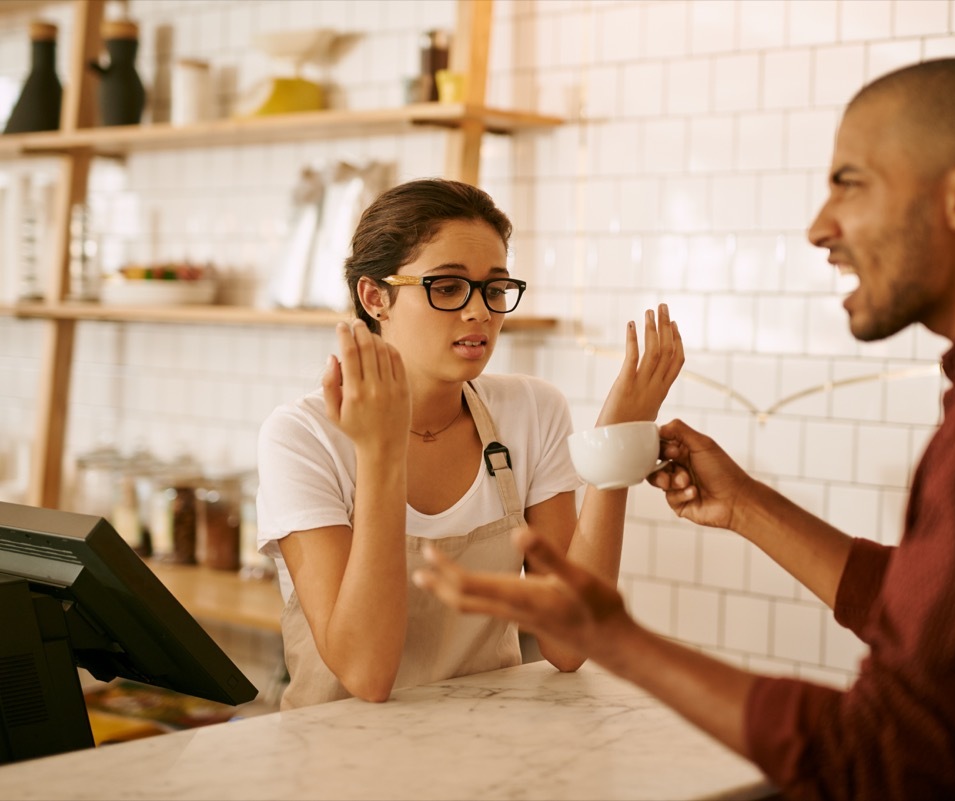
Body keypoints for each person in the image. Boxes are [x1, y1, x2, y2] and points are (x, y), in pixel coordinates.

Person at [413, 58, 955, 799]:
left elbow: (881, 755)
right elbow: (953, 616)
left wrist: (621, 640)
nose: (820, 227)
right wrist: (747, 504)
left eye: (848, 183)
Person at [256, 178, 684, 709]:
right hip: (340, 750)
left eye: (495, 289)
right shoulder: (304, 436)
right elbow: (366, 674)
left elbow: (569, 645)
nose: (480, 311)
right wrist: (380, 452)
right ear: (375, 297)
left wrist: (616, 445)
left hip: (486, 737)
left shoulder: (532, 411)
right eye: (448, 286)